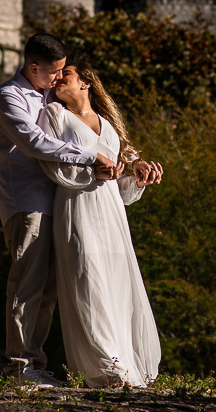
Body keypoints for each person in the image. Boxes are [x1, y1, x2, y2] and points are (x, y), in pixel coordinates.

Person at [0, 33, 117, 387]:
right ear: (34, 67)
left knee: (48, 290)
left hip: (60, 204)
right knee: (27, 283)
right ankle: (19, 367)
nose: (59, 77)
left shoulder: (51, 96)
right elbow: (35, 142)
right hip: (27, 203)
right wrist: (90, 158)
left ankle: (35, 363)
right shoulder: (8, 97)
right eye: (54, 71)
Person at [39, 56, 164, 388]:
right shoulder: (53, 114)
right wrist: (91, 173)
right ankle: (110, 367)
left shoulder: (108, 125)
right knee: (87, 280)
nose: (58, 78)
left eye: (66, 73)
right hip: (76, 205)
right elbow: (52, 165)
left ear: (85, 82)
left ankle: (124, 364)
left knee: (116, 283)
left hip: (111, 211)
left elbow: (120, 186)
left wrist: (137, 177)